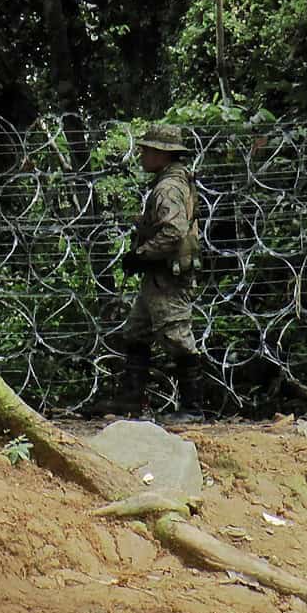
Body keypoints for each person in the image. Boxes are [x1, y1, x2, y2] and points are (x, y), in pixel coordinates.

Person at [91, 124, 203, 423]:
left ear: (161, 154)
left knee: (177, 336)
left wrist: (141, 255)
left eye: (147, 150)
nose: (141, 154)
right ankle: (132, 402)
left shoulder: (168, 187)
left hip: (166, 275)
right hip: (159, 275)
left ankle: (192, 408)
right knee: (136, 332)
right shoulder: (175, 181)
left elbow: (174, 231)